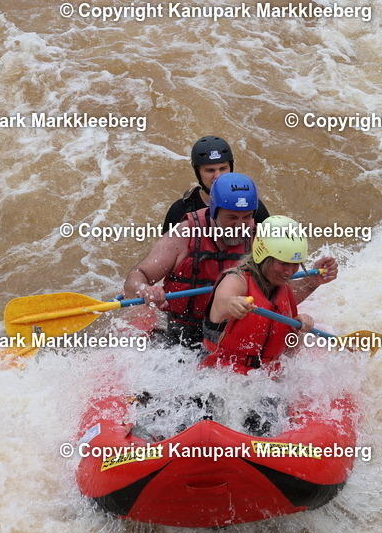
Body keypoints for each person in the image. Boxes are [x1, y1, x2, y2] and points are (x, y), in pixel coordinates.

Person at [124, 172, 260, 348]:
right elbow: (136, 277)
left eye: (246, 217)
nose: (240, 226)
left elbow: (281, 290)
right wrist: (145, 290)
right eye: (232, 218)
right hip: (181, 333)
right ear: (214, 212)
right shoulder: (184, 234)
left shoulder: (259, 237)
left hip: (231, 332)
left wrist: (308, 283)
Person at [201, 216, 331, 375]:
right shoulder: (236, 280)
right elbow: (223, 299)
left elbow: (289, 354)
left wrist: (296, 328)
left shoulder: (282, 288)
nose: (289, 272)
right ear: (263, 256)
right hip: (221, 376)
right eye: (283, 263)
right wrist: (232, 303)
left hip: (266, 379)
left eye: (295, 264)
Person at [162, 136, 270, 232]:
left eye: (223, 168)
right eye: (210, 170)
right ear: (198, 173)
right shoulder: (181, 209)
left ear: (231, 168)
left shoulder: (251, 204)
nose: (218, 176)